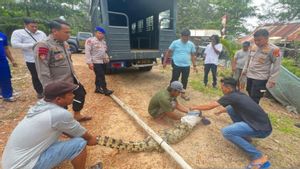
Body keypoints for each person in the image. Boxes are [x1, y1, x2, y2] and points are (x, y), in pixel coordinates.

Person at [1, 81, 103, 169]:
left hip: (10, 163)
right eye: (71, 94)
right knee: (79, 144)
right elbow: (87, 138)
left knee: (57, 140)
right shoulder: (59, 114)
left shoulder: (41, 105)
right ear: (58, 99)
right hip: (23, 166)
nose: (74, 95)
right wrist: (95, 140)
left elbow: (68, 130)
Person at [191, 77, 272, 168]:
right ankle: (245, 136)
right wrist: (221, 111)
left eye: (222, 88)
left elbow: (210, 106)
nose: (221, 89)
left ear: (228, 88)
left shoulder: (231, 96)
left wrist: (194, 107)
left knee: (227, 132)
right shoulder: (239, 94)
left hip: (262, 129)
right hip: (262, 124)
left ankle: (258, 157)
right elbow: (232, 107)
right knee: (230, 108)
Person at [34, 19, 91, 122]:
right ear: (55, 31)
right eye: (66, 32)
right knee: (60, 106)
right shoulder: (44, 45)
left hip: (70, 79)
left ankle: (77, 115)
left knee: (80, 93)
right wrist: (49, 89)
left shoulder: (64, 43)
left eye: (69, 32)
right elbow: (42, 70)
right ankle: (63, 125)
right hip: (57, 83)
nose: (69, 35)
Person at [240, 29, 282, 104]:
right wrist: (244, 70)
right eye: (255, 40)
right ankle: (252, 110)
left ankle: (252, 113)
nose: (257, 42)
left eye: (259, 40)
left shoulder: (274, 50)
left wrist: (272, 80)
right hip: (250, 76)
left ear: (266, 38)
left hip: (261, 78)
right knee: (250, 93)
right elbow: (248, 59)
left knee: (255, 97)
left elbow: (277, 65)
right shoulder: (253, 47)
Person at [11, 18, 47, 99]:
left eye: (36, 26)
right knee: (35, 76)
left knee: (45, 74)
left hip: (44, 58)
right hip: (31, 60)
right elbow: (14, 44)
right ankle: (40, 92)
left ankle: (47, 90)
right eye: (32, 26)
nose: (34, 28)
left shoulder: (41, 33)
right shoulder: (18, 33)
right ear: (25, 25)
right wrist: (33, 45)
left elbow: (46, 42)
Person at [163, 29, 197, 101]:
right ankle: (170, 93)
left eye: (187, 37)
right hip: (176, 64)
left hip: (186, 65)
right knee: (174, 79)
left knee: (184, 80)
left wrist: (194, 66)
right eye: (184, 37)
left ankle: (183, 94)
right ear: (181, 36)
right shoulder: (175, 43)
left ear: (189, 37)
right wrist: (165, 62)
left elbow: (193, 55)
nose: (186, 39)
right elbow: (168, 52)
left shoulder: (191, 44)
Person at [85, 26, 113, 96]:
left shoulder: (103, 42)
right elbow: (87, 52)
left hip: (103, 61)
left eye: (103, 34)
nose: (101, 35)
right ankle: (105, 90)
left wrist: (107, 58)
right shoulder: (90, 40)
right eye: (100, 33)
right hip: (95, 62)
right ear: (96, 33)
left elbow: (104, 51)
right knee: (101, 75)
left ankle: (97, 89)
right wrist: (89, 63)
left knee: (98, 75)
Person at [0, 32, 18, 102]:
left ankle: (7, 96)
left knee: (5, 77)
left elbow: (6, 48)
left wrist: (12, 60)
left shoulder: (2, 35)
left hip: (2, 61)